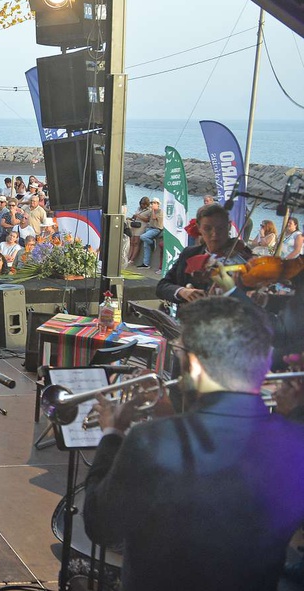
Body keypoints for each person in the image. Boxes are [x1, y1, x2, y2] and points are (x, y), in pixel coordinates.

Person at [83, 296, 304, 591]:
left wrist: (112, 434)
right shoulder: (294, 441)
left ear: (196, 363)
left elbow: (100, 524)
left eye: (180, 353)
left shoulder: (151, 441)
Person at [157, 203, 253, 304]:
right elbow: (162, 286)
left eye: (220, 228)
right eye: (207, 228)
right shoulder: (189, 253)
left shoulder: (244, 259)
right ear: (199, 227)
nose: (214, 234)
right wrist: (183, 291)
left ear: (228, 226)